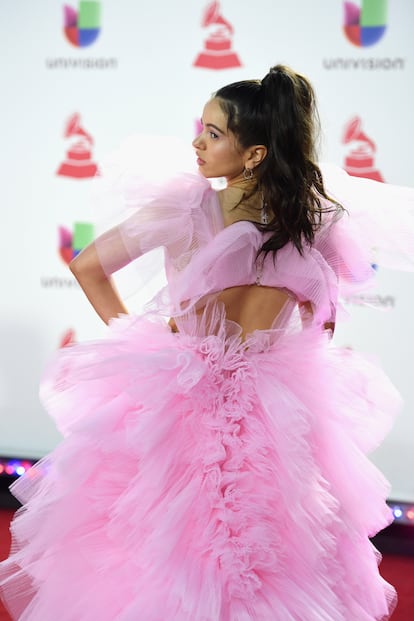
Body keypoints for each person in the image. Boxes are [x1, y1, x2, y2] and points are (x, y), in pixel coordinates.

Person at [0, 64, 407, 620]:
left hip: (182, 394)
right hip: (279, 402)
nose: (197, 143)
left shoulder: (188, 209)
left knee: (159, 546)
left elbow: (87, 266)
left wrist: (133, 336)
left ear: (255, 154)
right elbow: (323, 322)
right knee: (279, 547)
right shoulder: (314, 219)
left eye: (214, 134)